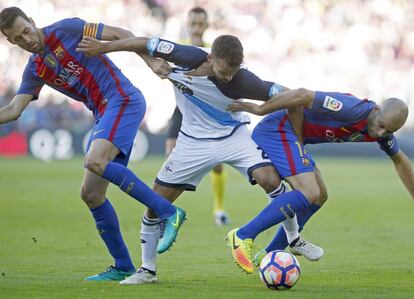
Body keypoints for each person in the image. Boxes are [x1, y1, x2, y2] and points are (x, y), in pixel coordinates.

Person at [76, 34, 323, 283]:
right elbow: (142, 42)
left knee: (270, 179)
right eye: (223, 71)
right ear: (210, 58)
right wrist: (110, 49)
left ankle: (293, 239)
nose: (228, 78)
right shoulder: (184, 55)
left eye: (232, 72)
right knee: (154, 204)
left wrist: (265, 109)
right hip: (191, 142)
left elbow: (290, 94)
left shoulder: (244, 81)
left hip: (234, 136)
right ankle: (147, 270)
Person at [0, 6, 186, 281]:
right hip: (104, 113)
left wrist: (150, 61)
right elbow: (15, 109)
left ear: (32, 21)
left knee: (94, 160)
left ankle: (169, 211)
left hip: (123, 99)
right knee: (91, 193)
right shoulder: (35, 69)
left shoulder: (68, 29)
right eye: (17, 39)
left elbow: (122, 34)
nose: (26, 40)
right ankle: (123, 264)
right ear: (11, 42)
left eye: (26, 31)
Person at [226, 88, 414, 272]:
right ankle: (243, 235)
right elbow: (301, 94)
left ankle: (272, 252)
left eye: (389, 131)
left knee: (320, 195)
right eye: (381, 126)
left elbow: (400, 160)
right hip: (278, 130)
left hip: (294, 139)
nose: (380, 134)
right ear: (376, 110)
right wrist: (260, 110)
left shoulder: (382, 129)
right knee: (310, 191)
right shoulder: (352, 108)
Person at [165, 7, 230, 226]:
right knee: (171, 156)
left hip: (205, 110)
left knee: (217, 164)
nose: (196, 28)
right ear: (187, 23)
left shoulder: (212, 52)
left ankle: (219, 209)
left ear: (206, 26)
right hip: (182, 108)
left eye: (200, 24)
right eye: (193, 24)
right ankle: (167, 211)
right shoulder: (178, 47)